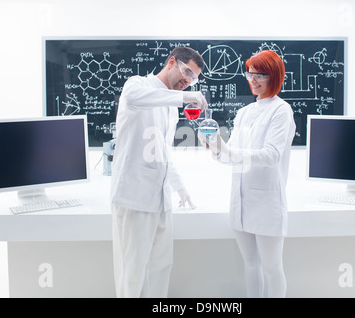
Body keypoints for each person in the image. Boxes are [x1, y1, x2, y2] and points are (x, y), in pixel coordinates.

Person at [110, 47, 207, 298]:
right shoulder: (138, 85)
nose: (187, 81)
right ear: (172, 62)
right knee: (132, 275)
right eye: (186, 72)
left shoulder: (171, 106)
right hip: (135, 198)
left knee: (160, 269)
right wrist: (184, 97)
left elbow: (161, 152)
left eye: (193, 78)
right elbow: (135, 98)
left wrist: (180, 188)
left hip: (161, 199)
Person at [199, 50, 295, 298]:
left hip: (266, 202)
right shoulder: (244, 112)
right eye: (250, 74)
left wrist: (228, 149)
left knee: (272, 268)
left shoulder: (281, 111)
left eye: (260, 75)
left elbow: (271, 155)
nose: (253, 80)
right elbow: (234, 158)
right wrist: (216, 149)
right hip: (240, 200)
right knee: (251, 265)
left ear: (274, 76)